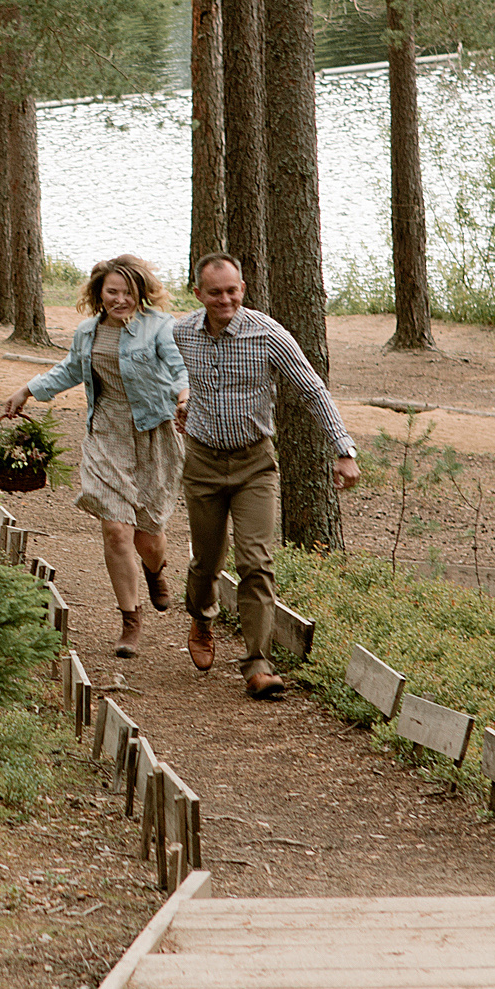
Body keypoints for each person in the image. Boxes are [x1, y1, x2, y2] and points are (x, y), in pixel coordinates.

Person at [172, 254, 361, 699]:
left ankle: (257, 662)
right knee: (207, 563)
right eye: (215, 292)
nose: (225, 299)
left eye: (232, 290)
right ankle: (201, 616)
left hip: (254, 465)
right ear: (198, 293)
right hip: (201, 464)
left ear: (243, 289)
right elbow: (173, 377)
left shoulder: (267, 333)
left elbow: (312, 389)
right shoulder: (181, 333)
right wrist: (181, 405)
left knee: (255, 562)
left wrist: (343, 449)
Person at [3, 257, 190, 659]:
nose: (120, 299)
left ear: (140, 292)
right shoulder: (87, 332)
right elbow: (69, 370)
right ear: (99, 293)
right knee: (116, 530)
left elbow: (178, 367)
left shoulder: (159, 326)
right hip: (106, 432)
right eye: (112, 292)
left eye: (127, 292)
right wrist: (27, 390)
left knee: (148, 534)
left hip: (154, 432)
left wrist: (183, 395)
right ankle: (130, 621)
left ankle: (155, 568)